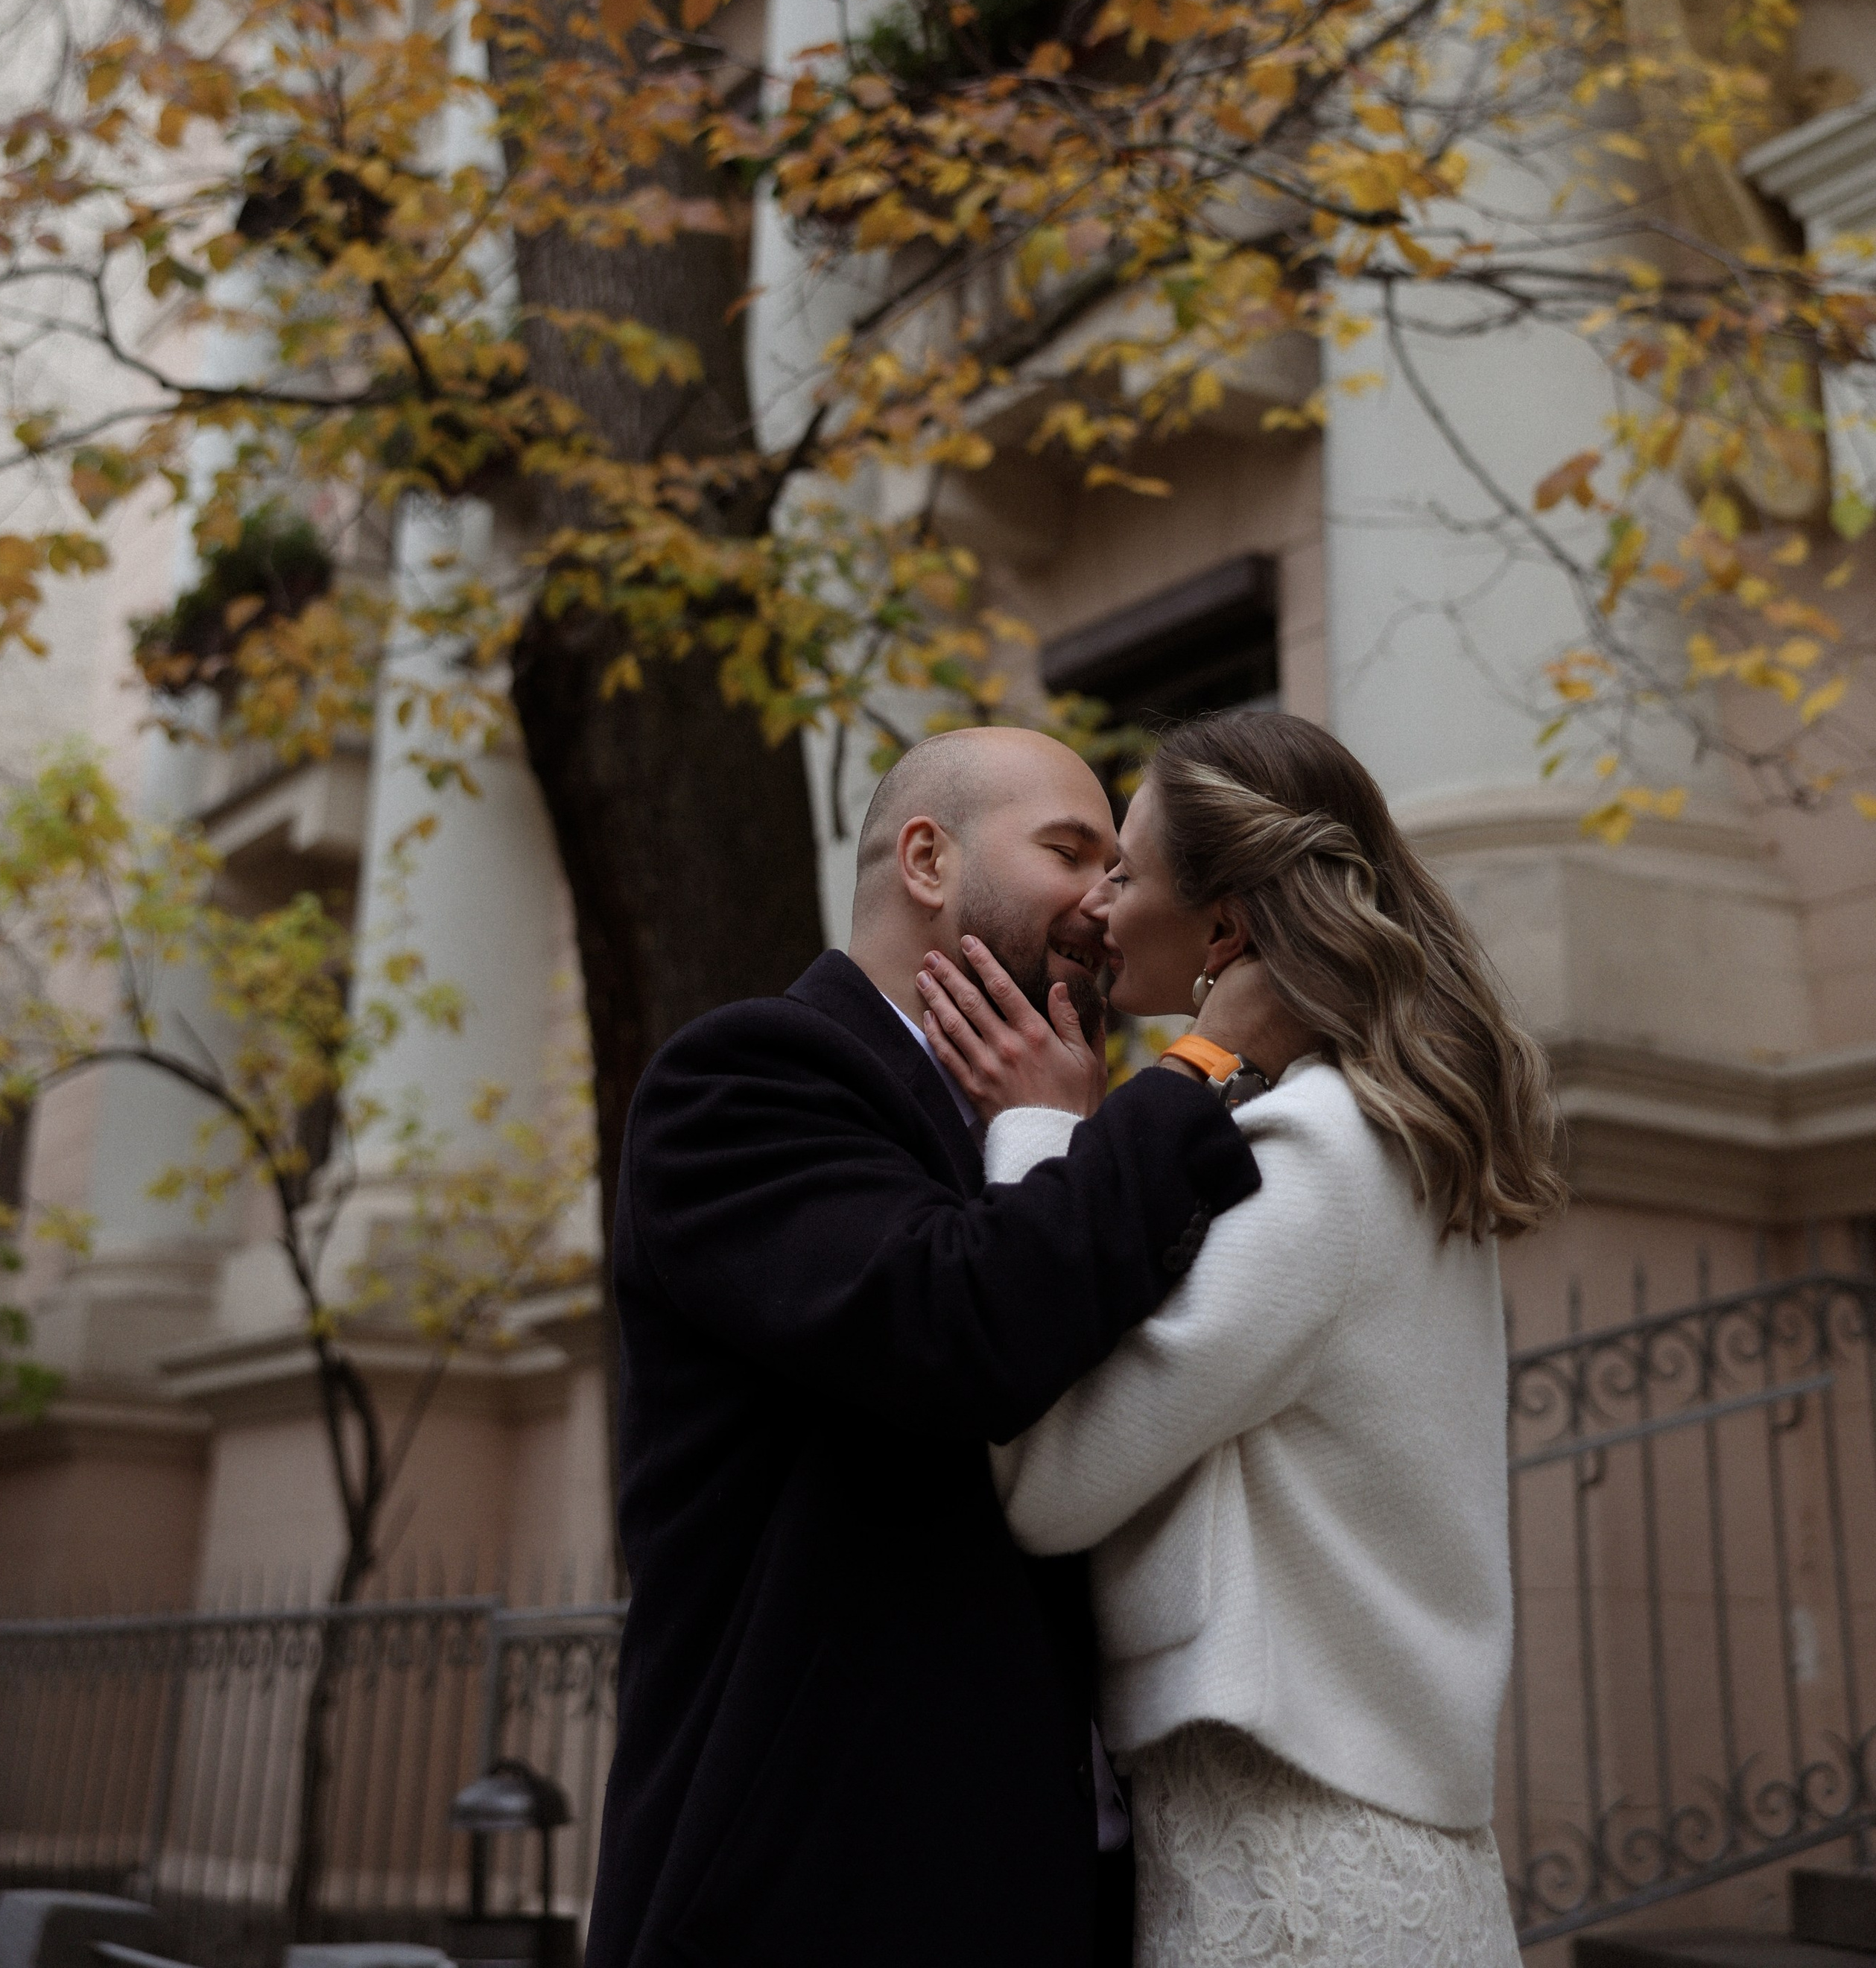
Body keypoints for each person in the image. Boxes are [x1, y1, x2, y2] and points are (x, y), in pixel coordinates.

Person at [586, 723, 1261, 1968]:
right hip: (820, 1896)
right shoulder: (746, 1082)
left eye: (1123, 869)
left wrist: (1069, 1138)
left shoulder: (1060, 1130)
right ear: (927, 860)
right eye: (1073, 851)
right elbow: (963, 1334)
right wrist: (1199, 1069)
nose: (1108, 900)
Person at [919, 709, 1565, 1968]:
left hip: (1294, 1878)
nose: (1100, 901)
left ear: (1223, 928)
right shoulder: (1382, 1140)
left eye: (1128, 870)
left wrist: (1040, 1140)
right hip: (1339, 1851)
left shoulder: (1312, 1154)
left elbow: (1051, 1483)